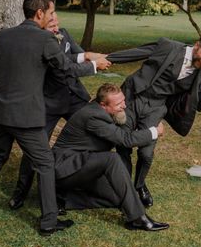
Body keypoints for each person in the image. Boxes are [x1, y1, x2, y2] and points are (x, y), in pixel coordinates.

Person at [0, 0, 108, 236]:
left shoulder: (4, 35)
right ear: (40, 13)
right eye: (51, 11)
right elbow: (67, 69)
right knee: (45, 163)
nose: (52, 16)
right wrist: (93, 65)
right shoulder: (45, 40)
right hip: (25, 116)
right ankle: (48, 222)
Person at [107, 33, 201, 207]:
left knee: (146, 153)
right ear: (197, 45)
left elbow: (197, 105)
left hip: (156, 107)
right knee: (123, 146)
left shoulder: (199, 74)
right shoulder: (169, 47)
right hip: (133, 97)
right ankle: (124, 189)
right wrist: (107, 58)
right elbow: (139, 52)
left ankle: (139, 185)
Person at [8, 12, 108, 211]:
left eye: (57, 22)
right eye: (51, 23)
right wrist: (93, 65)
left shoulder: (63, 34)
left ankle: (82, 184)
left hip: (74, 98)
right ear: (41, 25)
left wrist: (86, 55)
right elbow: (64, 66)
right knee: (35, 148)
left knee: (96, 134)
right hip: (49, 102)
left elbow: (77, 56)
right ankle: (21, 191)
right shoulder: (37, 43)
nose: (56, 27)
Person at [53, 84, 168, 231]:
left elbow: (122, 133)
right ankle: (138, 219)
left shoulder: (106, 113)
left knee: (118, 198)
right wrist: (154, 131)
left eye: (124, 101)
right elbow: (126, 139)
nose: (124, 106)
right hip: (65, 169)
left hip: (85, 164)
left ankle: (64, 199)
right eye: (119, 104)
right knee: (111, 159)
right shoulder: (93, 116)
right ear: (103, 105)